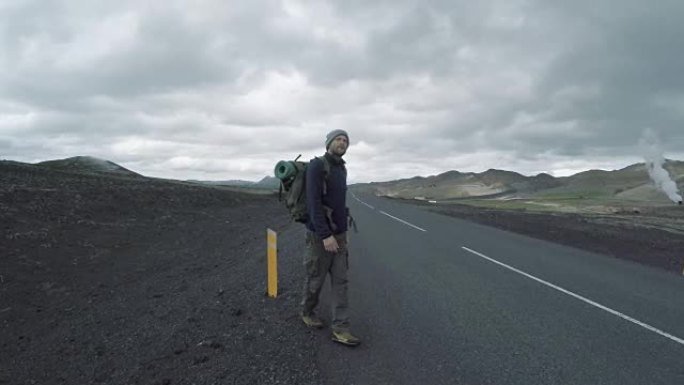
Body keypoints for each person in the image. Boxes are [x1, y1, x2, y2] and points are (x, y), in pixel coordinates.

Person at [300, 129, 361, 346]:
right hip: (320, 237)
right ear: (329, 143)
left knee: (341, 283)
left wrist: (341, 234)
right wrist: (325, 235)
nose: (342, 142)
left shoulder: (342, 168)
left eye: (345, 140)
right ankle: (307, 311)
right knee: (315, 280)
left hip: (340, 236)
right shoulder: (318, 165)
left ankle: (340, 328)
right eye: (338, 139)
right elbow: (313, 203)